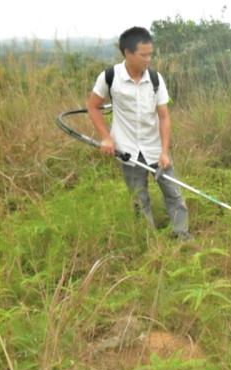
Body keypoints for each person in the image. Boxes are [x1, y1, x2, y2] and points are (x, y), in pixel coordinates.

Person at [86, 26, 190, 241]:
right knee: (139, 199)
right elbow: (93, 106)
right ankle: (149, 242)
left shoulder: (155, 78)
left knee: (174, 193)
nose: (148, 59)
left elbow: (164, 116)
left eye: (150, 54)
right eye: (143, 55)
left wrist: (165, 152)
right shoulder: (110, 76)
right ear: (127, 53)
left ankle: (182, 235)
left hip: (155, 148)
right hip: (128, 150)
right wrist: (106, 137)